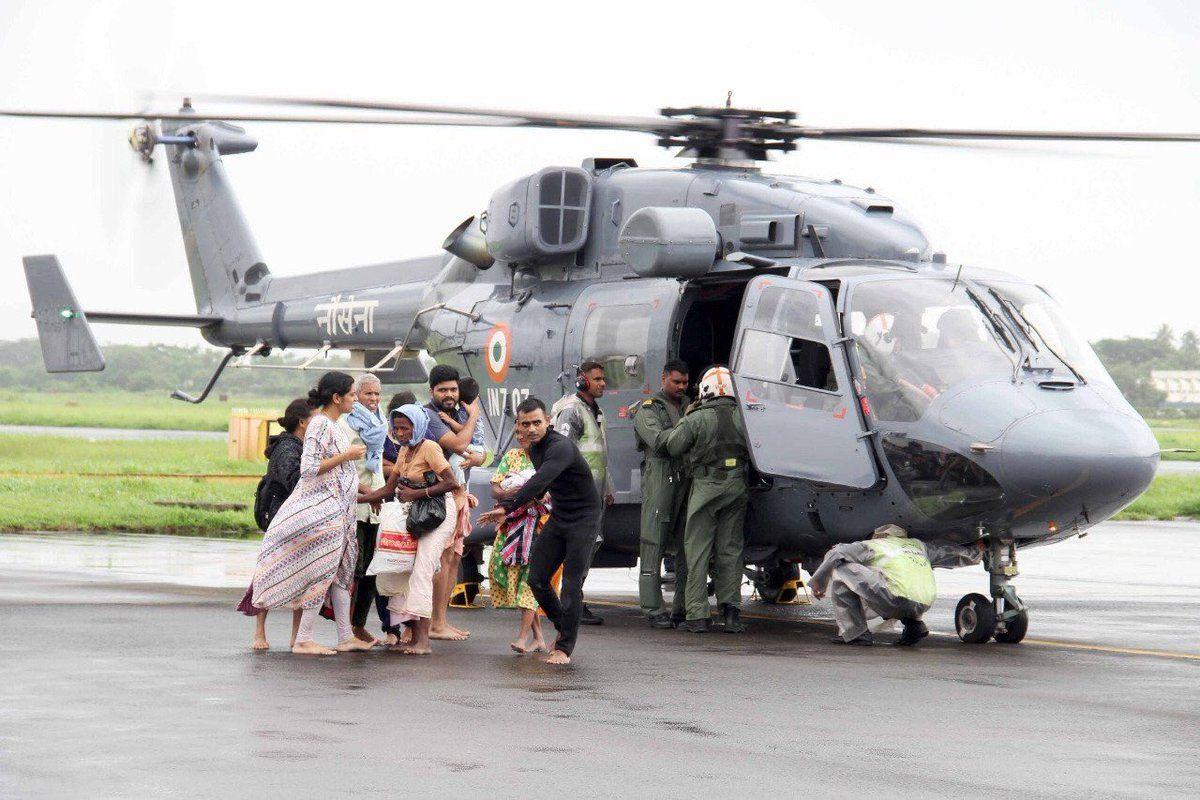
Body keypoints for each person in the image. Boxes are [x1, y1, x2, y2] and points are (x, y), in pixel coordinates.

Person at [249, 372, 374, 656]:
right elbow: (308, 469)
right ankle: (304, 639)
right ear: (337, 398)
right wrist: (347, 456)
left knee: (341, 573)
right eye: (352, 394)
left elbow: (338, 473)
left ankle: (345, 636)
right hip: (321, 513)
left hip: (340, 513)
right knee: (322, 571)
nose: (355, 399)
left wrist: (362, 488)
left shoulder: (335, 426)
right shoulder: (319, 424)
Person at [478, 397, 602, 666]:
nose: (532, 429)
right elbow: (545, 487)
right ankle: (563, 627)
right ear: (518, 426)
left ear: (548, 421)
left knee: (571, 585)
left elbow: (539, 482)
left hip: (584, 518)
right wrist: (508, 512)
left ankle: (564, 648)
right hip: (560, 516)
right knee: (536, 579)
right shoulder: (535, 448)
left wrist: (507, 507)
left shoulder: (560, 447)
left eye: (537, 422)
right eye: (526, 424)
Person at [357, 405, 460, 655]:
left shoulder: (430, 447)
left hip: (438, 513)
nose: (400, 433)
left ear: (418, 426)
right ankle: (413, 633)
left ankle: (423, 641)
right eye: (397, 429)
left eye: (405, 428)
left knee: (422, 570)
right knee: (405, 569)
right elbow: (388, 489)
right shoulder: (405, 450)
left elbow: (452, 482)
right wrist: (355, 499)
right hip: (417, 514)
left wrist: (417, 493)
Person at [662, 365, 750, 634]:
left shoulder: (697, 417)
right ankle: (731, 614)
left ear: (705, 390)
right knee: (730, 550)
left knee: (697, 550)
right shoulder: (745, 416)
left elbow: (673, 446)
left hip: (706, 486)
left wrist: (687, 417)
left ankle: (698, 615)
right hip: (737, 485)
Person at [809, 524, 984, 646]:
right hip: (924, 603)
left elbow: (837, 552)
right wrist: (977, 549)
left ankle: (855, 633)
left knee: (840, 568)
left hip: (893, 599)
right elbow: (950, 553)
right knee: (904, 581)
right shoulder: (919, 546)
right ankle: (915, 626)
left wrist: (819, 583)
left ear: (878, 535)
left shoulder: (875, 545)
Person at [237, 398, 314, 650]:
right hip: (280, 517)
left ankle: (296, 635)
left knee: (303, 574)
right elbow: (295, 481)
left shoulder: (302, 446)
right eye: (314, 419)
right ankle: (259, 631)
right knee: (269, 572)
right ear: (302, 422)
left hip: (298, 517)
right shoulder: (287, 449)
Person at [422, 365, 484, 641]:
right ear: (431, 391)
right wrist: (474, 416)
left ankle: (442, 620)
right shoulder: (431, 415)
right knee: (442, 558)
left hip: (460, 495)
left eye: (453, 389)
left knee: (454, 558)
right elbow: (459, 444)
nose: (449, 394)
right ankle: (434, 622)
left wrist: (480, 457)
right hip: (441, 496)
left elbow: (480, 451)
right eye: (442, 390)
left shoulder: (458, 413)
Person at [550, 360, 614, 626]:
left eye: (602, 379)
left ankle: (572, 600)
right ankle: (570, 604)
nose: (602, 384)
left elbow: (598, 453)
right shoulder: (572, 411)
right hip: (577, 496)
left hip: (593, 494)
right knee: (578, 549)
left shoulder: (595, 411)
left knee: (589, 546)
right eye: (597, 379)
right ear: (582, 380)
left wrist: (607, 486)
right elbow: (561, 452)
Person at [632, 359, 691, 629]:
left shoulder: (690, 405)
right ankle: (653, 608)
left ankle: (682, 607)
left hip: (686, 476)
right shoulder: (648, 409)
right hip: (660, 476)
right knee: (653, 542)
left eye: (685, 382)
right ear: (663, 379)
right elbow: (659, 442)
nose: (681, 387)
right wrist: (689, 430)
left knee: (687, 544)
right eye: (676, 381)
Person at [486, 426, 548, 654]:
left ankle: (522, 638)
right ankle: (538, 637)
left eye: (526, 432)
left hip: (537, 528)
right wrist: (511, 494)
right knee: (503, 572)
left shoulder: (548, 458)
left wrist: (521, 497)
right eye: (518, 433)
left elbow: (545, 495)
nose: (522, 437)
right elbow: (495, 487)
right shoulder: (512, 456)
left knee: (528, 582)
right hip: (510, 527)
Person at [339, 374, 389, 647]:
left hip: (376, 508)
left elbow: (378, 466)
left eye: (377, 394)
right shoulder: (344, 425)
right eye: (368, 394)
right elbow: (341, 469)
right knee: (352, 571)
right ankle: (345, 630)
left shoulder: (380, 424)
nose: (373, 399)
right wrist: (368, 493)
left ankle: (358, 626)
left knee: (372, 570)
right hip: (354, 506)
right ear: (356, 395)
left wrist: (379, 493)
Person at [382, 390, 418, 472]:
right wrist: (398, 469)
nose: (400, 433)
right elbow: (374, 460)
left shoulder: (425, 435)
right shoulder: (381, 432)